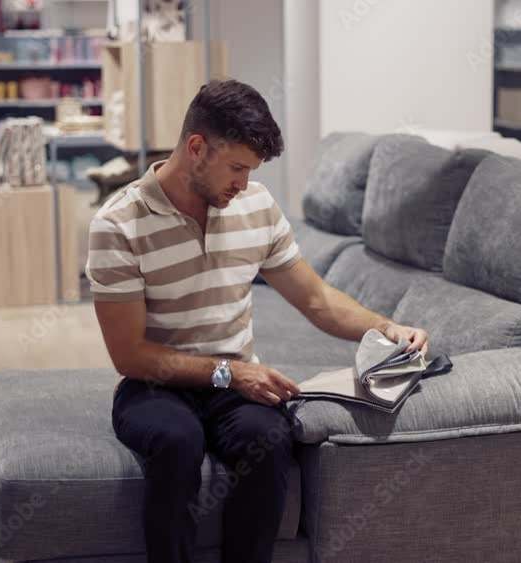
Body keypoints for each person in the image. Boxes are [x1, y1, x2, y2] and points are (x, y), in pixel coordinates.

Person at [88, 79, 429, 563]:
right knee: (175, 440)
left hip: (235, 388)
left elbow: (315, 299)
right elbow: (128, 354)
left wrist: (388, 329)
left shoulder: (256, 206)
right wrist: (228, 372)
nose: (244, 185)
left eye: (251, 171)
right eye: (237, 168)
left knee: (269, 440)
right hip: (155, 385)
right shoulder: (118, 224)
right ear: (197, 148)